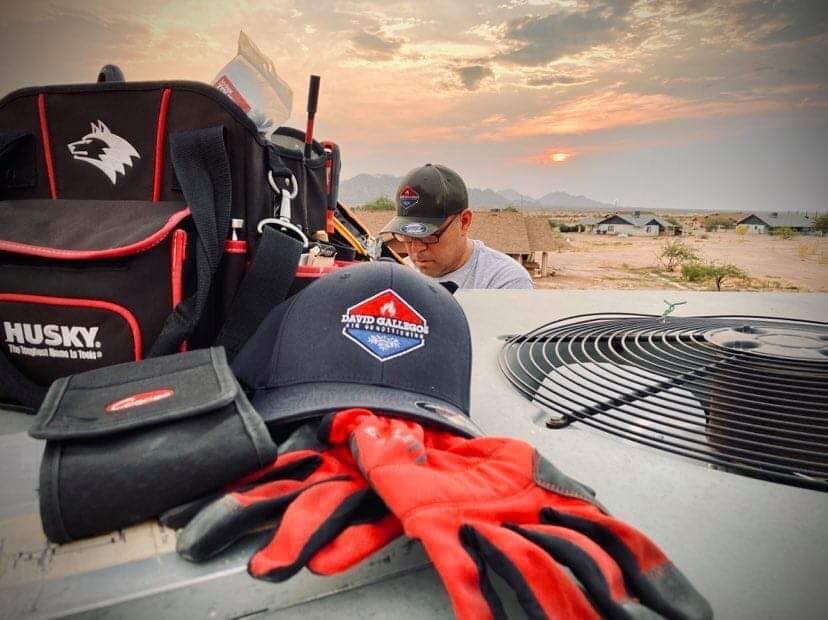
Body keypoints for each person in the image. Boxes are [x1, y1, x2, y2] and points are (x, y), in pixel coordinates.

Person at [379, 163, 533, 290]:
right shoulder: (401, 277)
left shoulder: (503, 282)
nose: (416, 249)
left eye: (428, 236)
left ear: (464, 222)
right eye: (407, 236)